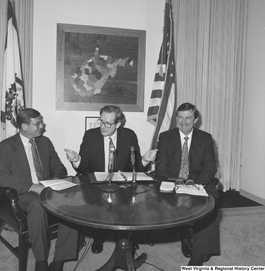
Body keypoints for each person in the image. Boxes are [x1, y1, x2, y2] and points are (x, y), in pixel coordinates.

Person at [65, 105, 157, 254]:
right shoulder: (90, 135)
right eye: (101, 121)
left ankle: (127, 238)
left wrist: (145, 159)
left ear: (118, 124)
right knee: (99, 206)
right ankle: (99, 236)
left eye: (108, 123)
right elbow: (83, 169)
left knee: (128, 206)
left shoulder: (129, 136)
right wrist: (76, 160)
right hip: (97, 184)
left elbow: (136, 167)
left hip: (123, 184)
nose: (103, 126)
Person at [0, 108, 78, 271]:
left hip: (47, 188)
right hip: (24, 193)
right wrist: (32, 186)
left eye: (41, 122)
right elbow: (1, 177)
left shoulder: (45, 142)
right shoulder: (7, 146)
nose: (42, 126)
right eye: (38, 123)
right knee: (38, 205)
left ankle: (59, 260)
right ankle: (41, 260)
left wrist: (56, 179)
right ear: (24, 126)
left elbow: (58, 166)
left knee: (72, 204)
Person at [155, 102, 220, 266]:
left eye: (188, 118)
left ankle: (196, 260)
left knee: (209, 206)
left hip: (199, 183)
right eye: (180, 118)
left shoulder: (205, 138)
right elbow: (161, 169)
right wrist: (179, 186)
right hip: (173, 183)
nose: (184, 122)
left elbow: (210, 167)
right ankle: (183, 231)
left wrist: (193, 186)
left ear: (196, 119)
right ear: (176, 118)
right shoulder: (165, 137)